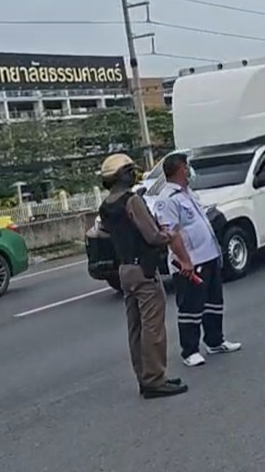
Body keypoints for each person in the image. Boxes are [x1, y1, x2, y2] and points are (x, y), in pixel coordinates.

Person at [98, 153, 192, 399]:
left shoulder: (106, 205)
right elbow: (151, 236)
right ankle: (155, 379)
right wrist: (168, 235)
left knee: (136, 327)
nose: (134, 175)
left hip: (125, 270)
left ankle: (144, 376)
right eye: (130, 171)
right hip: (143, 269)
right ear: (123, 175)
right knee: (153, 327)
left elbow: (108, 233)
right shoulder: (132, 201)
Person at [152, 152, 242, 367]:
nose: (189, 171)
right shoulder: (167, 199)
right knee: (191, 307)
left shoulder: (187, 193)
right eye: (186, 167)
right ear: (179, 170)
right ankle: (190, 350)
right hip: (190, 262)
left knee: (213, 302)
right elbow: (171, 234)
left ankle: (215, 341)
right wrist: (185, 261)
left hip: (208, 256)